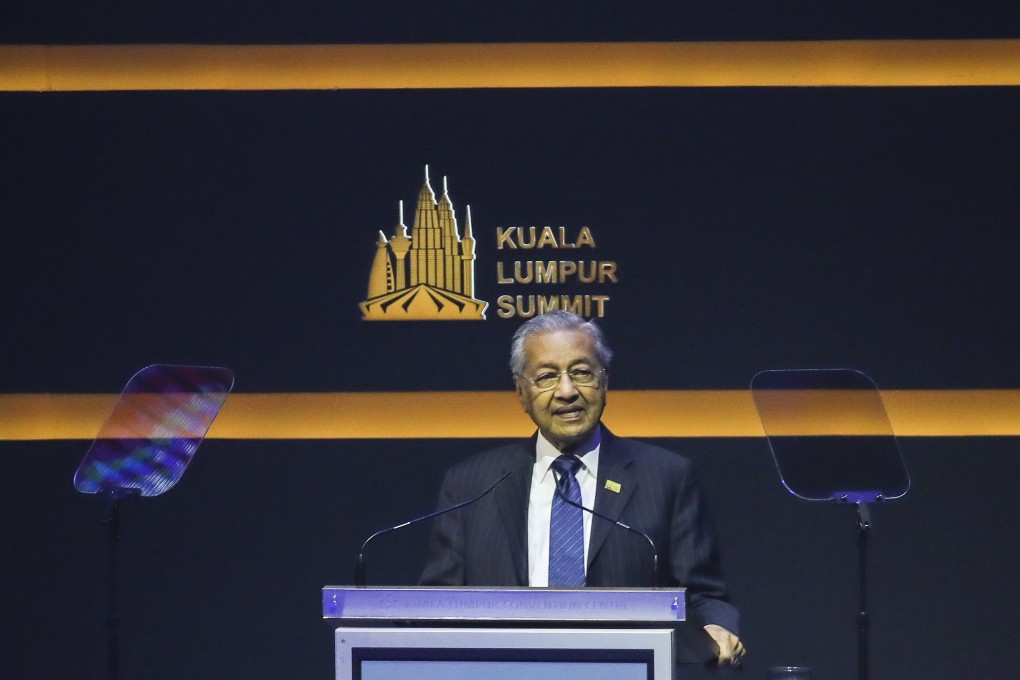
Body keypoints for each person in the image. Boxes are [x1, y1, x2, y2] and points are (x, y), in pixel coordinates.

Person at [420, 310, 746, 667]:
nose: (566, 391)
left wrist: (715, 625)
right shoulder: (472, 482)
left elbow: (702, 594)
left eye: (582, 373)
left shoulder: (667, 477)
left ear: (604, 383)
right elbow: (438, 604)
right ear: (520, 392)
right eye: (546, 376)